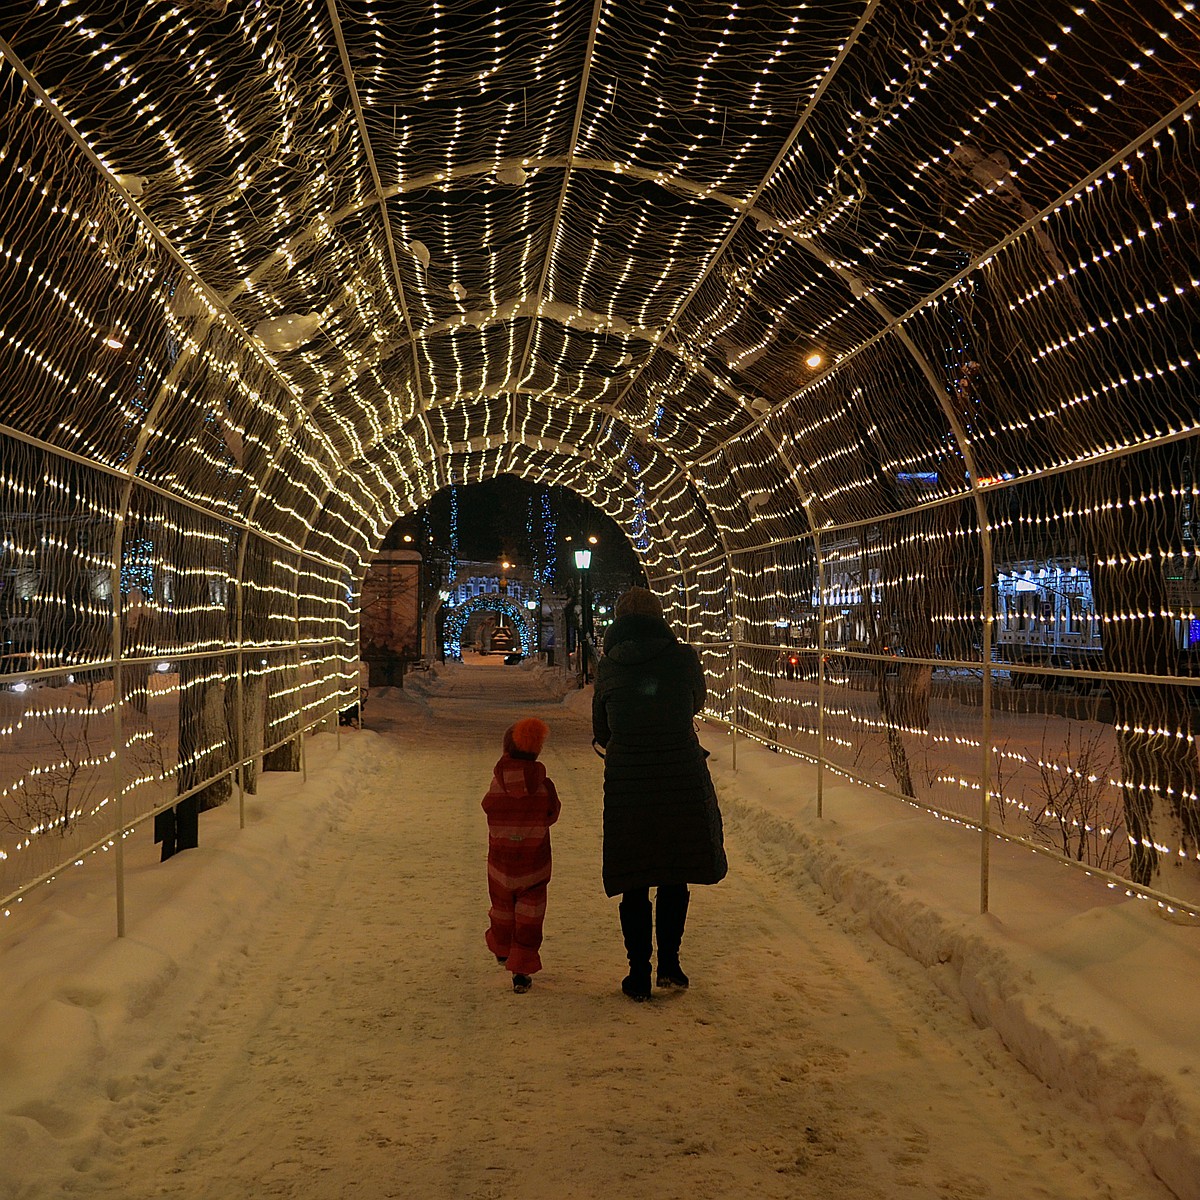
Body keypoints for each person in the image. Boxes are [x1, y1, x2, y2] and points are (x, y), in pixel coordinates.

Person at [592, 587, 727, 1001]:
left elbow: (601, 729)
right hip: (679, 777)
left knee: (635, 877)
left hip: (629, 782)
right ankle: (670, 964)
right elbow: (695, 703)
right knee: (673, 871)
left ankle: (637, 973)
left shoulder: (609, 665)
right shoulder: (684, 657)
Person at [482, 717, 562, 994]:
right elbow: (552, 814)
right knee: (529, 917)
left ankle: (502, 947)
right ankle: (521, 968)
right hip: (534, 865)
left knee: (503, 910)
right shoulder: (544, 786)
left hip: (501, 863)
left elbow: (488, 808)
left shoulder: (497, 784)